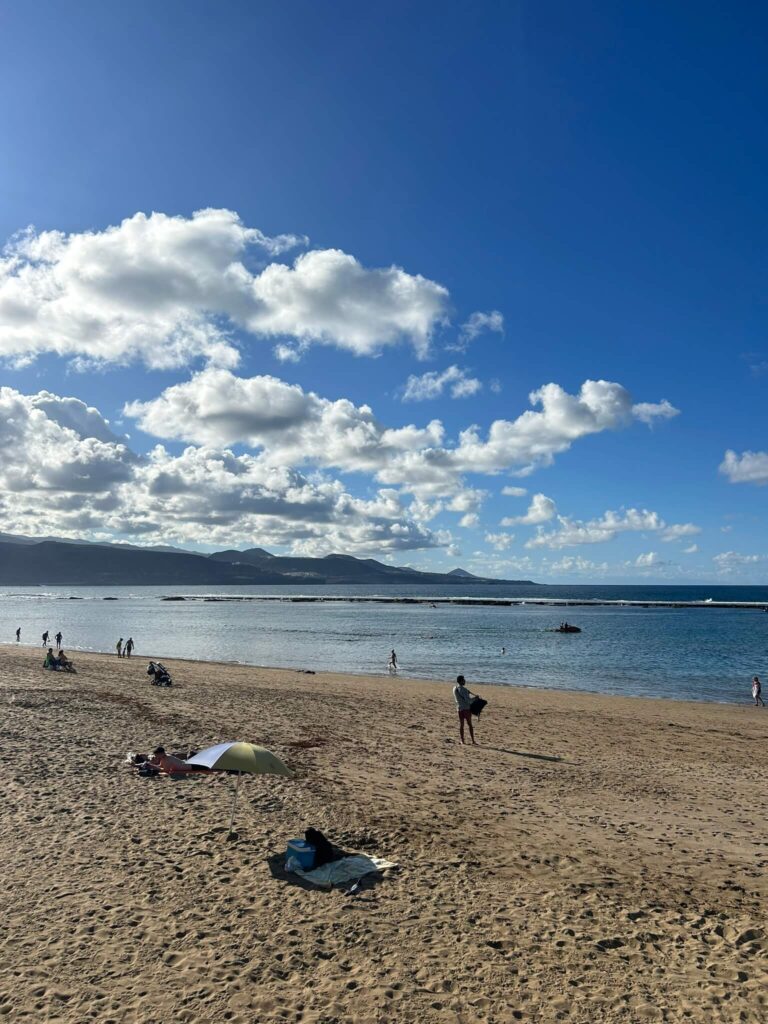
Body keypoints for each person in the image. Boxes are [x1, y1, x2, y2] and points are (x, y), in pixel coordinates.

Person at [453, 674, 477, 745]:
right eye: (464, 680)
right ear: (461, 681)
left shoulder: (454, 688)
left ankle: (462, 741)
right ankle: (473, 741)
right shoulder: (464, 690)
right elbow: (469, 701)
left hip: (459, 708)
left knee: (461, 725)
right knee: (470, 725)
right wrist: (475, 698)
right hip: (466, 709)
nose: (465, 681)